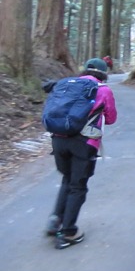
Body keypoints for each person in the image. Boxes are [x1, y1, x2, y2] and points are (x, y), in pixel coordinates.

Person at [46, 57, 118, 249]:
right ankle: (68, 232)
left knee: (67, 179)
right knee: (78, 186)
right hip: (84, 142)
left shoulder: (66, 85)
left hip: (58, 139)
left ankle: (55, 220)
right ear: (104, 74)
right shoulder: (103, 90)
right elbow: (111, 118)